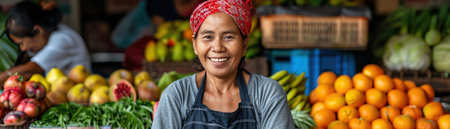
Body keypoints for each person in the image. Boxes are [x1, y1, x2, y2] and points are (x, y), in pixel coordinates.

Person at [151, 0, 295, 128]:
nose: (218, 47)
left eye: (228, 37)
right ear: (195, 45)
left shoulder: (267, 94)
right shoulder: (177, 95)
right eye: (208, 37)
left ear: (244, 44)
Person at [0, 1, 91, 85]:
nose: (22, 48)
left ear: (38, 30)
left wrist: (4, 76)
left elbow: (30, 69)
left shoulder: (63, 39)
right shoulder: (45, 39)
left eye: (22, 43)